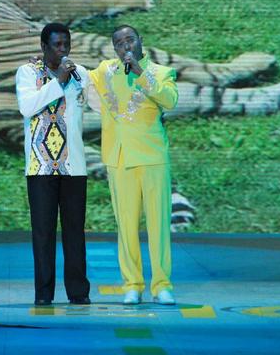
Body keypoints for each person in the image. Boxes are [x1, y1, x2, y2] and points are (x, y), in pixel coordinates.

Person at [87, 25, 178, 305]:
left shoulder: (162, 73)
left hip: (152, 157)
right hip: (119, 158)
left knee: (158, 225)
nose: (125, 46)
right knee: (125, 226)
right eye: (119, 43)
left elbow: (170, 101)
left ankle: (162, 284)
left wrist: (140, 73)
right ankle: (133, 284)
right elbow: (83, 81)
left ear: (141, 42)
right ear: (114, 48)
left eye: (130, 39)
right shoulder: (106, 71)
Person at [15, 23, 90, 306]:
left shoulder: (80, 73)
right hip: (40, 167)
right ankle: (44, 295)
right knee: (43, 233)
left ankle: (78, 293)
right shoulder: (27, 72)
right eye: (57, 45)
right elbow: (27, 107)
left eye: (66, 44)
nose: (63, 50)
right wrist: (58, 80)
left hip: (74, 166)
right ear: (44, 47)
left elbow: (95, 103)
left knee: (74, 231)